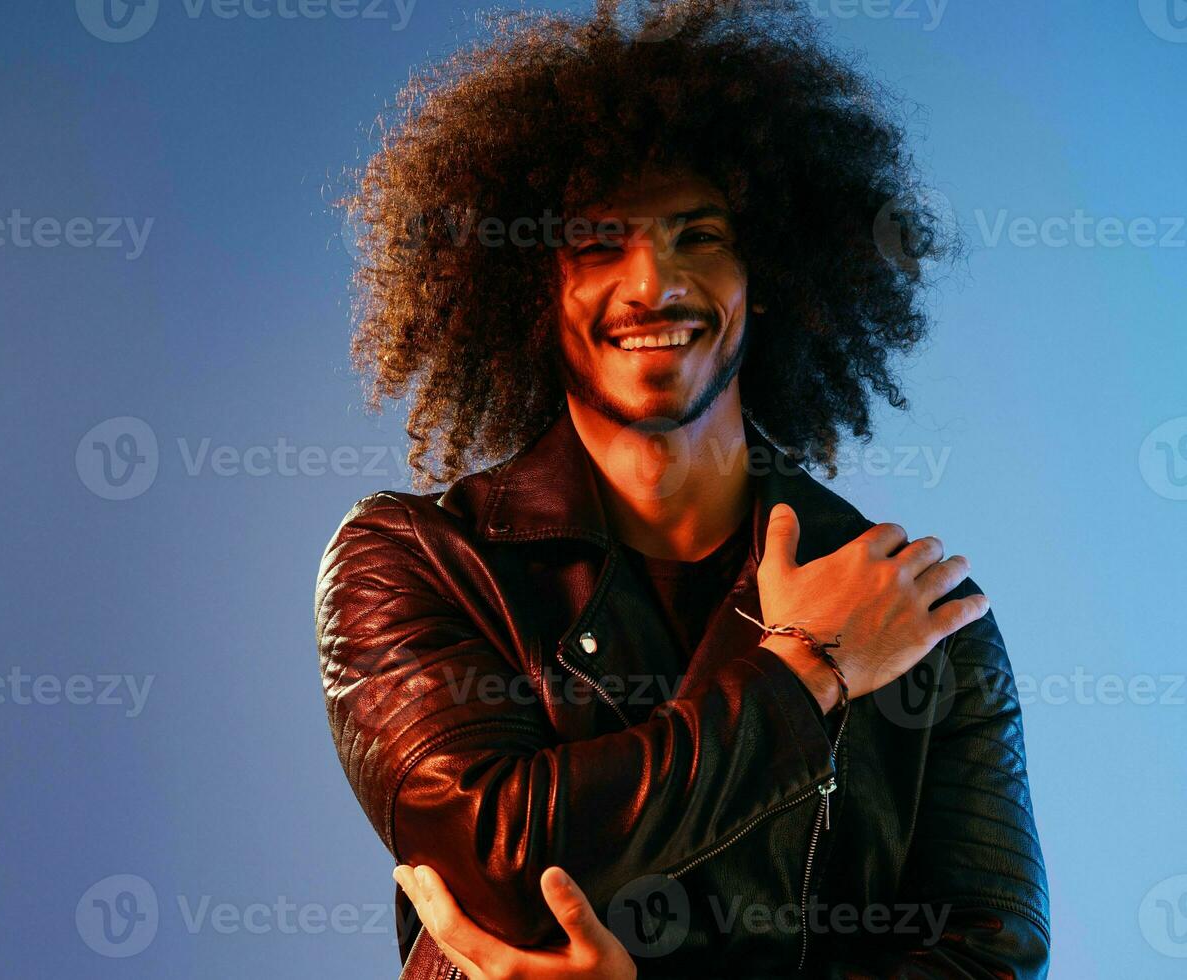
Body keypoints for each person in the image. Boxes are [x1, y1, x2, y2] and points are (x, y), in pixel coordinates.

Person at [315, 2, 1048, 975]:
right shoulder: (415, 561)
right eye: (598, 243)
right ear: (532, 286)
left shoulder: (917, 607)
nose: (652, 279)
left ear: (771, 275)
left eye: (697, 235)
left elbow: (991, 959)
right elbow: (500, 861)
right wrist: (805, 670)